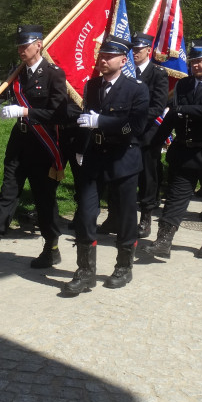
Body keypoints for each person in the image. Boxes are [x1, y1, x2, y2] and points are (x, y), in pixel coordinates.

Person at [0, 25, 70, 269]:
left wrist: (25, 111)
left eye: (25, 45)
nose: (21, 50)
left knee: (44, 198)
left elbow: (59, 114)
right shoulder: (17, 73)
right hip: (19, 141)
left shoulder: (54, 74)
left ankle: (51, 247)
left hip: (43, 144)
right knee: (8, 192)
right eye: (19, 46)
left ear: (39, 44)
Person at [64, 36, 148, 295]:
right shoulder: (92, 86)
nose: (102, 60)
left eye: (108, 57)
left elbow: (134, 126)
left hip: (123, 158)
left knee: (124, 216)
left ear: (123, 61)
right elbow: (86, 121)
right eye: (100, 56)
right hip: (95, 158)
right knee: (87, 214)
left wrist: (102, 122)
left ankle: (124, 266)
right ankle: (85, 271)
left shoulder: (136, 89)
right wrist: (80, 149)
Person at [145, 40, 202, 261]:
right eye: (192, 61)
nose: (194, 65)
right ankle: (163, 241)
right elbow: (172, 115)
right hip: (185, 152)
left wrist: (186, 109)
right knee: (175, 198)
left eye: (199, 61)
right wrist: (155, 142)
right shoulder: (184, 85)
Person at [130, 33, 169, 239]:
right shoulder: (126, 71)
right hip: (125, 132)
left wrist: (134, 121)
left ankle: (146, 216)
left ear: (149, 51)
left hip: (147, 133)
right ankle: (116, 215)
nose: (135, 53)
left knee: (147, 175)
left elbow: (158, 106)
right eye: (133, 49)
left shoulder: (157, 73)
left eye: (139, 49)